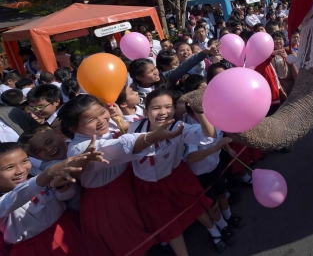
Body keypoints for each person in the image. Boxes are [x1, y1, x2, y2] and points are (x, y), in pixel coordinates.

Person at [61, 94, 185, 255]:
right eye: (90, 120)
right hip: (109, 201)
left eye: (101, 112)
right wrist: (154, 136)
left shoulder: (111, 123)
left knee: (152, 229)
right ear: (73, 128)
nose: (101, 120)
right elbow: (120, 146)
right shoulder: (80, 148)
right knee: (132, 244)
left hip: (131, 184)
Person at [128, 89, 234, 253]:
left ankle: (215, 232)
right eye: (156, 108)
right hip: (147, 185)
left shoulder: (179, 127)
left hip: (175, 176)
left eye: (168, 107)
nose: (163, 112)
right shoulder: (134, 129)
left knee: (194, 206)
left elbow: (208, 137)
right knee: (166, 221)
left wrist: (199, 111)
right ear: (146, 111)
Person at [0, 142, 102, 256]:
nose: (20, 170)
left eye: (24, 161)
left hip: (68, 229)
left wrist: (60, 187)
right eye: (9, 167)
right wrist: (48, 174)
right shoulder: (38, 180)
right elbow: (18, 196)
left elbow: (64, 197)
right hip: (34, 248)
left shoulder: (37, 176)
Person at [183, 96, 244, 236]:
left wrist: (228, 148)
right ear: (193, 114)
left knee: (222, 193)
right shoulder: (189, 131)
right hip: (201, 175)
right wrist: (215, 148)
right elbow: (191, 158)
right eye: (203, 113)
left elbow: (220, 136)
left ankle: (228, 216)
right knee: (212, 205)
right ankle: (222, 226)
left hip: (216, 166)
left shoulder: (214, 119)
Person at [128, 43, 218, 98]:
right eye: (150, 72)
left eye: (154, 68)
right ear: (139, 77)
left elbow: (184, 67)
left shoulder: (165, 77)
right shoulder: (134, 94)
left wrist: (204, 52)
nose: (156, 72)